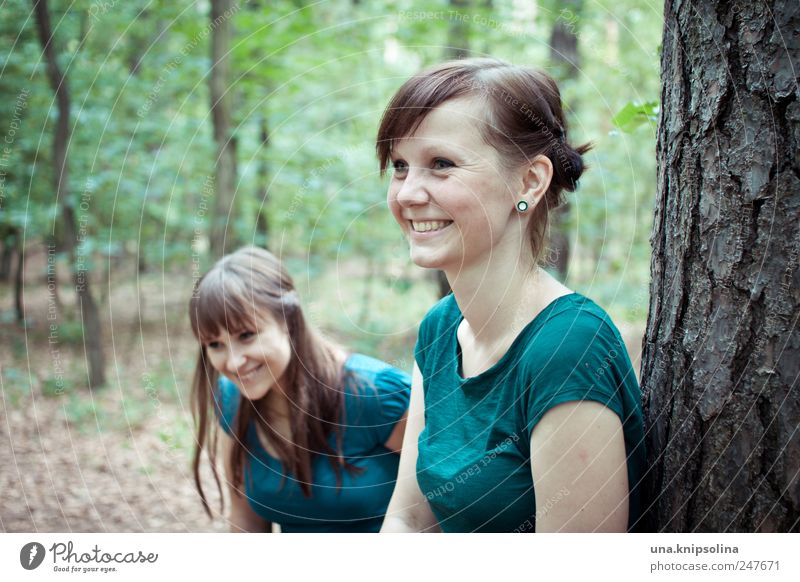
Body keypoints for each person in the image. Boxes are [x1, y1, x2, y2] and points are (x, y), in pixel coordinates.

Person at [376, 58, 646, 533]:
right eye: (400, 166)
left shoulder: (567, 347)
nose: (408, 194)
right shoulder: (440, 328)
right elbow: (409, 518)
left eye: (441, 164)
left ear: (529, 182)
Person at [189, 246, 411, 532]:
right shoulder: (232, 399)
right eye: (215, 344)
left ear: (288, 321)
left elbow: (449, 504)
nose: (233, 362)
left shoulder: (375, 393)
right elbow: (246, 523)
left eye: (246, 335)